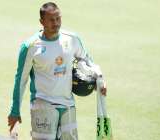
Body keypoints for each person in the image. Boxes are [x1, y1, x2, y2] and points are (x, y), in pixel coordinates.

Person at [8, 2, 107, 140]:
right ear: (42, 22)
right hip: (43, 104)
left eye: (58, 18)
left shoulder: (72, 39)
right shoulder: (30, 46)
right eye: (51, 20)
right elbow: (21, 79)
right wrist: (14, 110)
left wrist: (98, 79)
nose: (56, 23)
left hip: (68, 105)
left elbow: (86, 60)